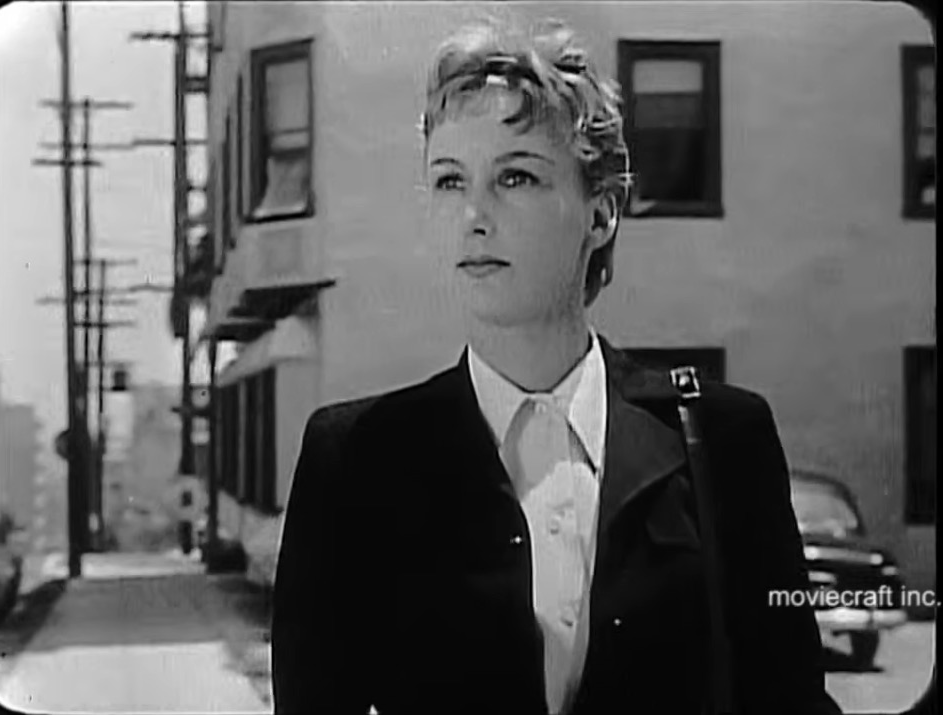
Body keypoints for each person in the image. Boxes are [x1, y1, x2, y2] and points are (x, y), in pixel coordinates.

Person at [272, 17, 842, 715]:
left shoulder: (722, 439)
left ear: (600, 214)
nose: (473, 215)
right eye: (449, 181)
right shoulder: (355, 460)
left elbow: (788, 697)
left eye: (515, 176)